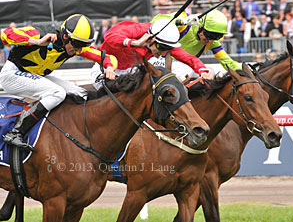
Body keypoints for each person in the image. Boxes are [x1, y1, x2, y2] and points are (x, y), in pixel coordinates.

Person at [0, 14, 118, 151]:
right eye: (78, 45)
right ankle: (16, 132)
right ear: (65, 36)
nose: (79, 51)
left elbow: (108, 57)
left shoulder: (74, 44)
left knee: (81, 93)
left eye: (84, 45)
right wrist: (36, 41)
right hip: (11, 74)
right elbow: (6, 34)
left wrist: (109, 67)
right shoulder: (40, 33)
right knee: (58, 93)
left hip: (33, 76)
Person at [91, 18, 213, 89]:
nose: (163, 53)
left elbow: (188, 58)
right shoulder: (138, 29)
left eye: (167, 50)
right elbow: (109, 36)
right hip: (106, 68)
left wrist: (203, 70)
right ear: (153, 39)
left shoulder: (164, 44)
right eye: (161, 48)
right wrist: (135, 43)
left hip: (129, 71)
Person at [152, 10, 241, 72]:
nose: (210, 41)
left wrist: (245, 69)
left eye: (216, 37)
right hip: (158, 61)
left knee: (211, 72)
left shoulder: (212, 42)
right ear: (201, 26)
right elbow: (155, 21)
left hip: (182, 70)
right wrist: (181, 22)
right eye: (209, 35)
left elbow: (227, 62)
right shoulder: (185, 21)